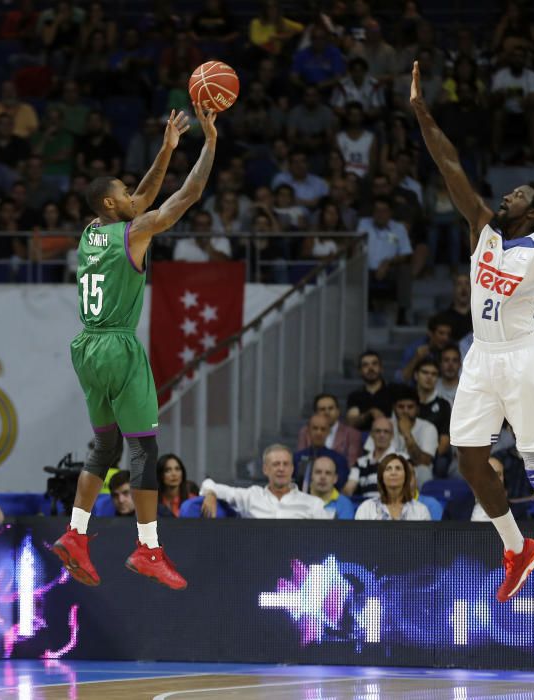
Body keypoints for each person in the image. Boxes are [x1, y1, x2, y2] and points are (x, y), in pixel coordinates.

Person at [410, 60, 534, 619]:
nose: (506, 196)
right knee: (468, 460)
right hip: (481, 357)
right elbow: (449, 163)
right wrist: (420, 110)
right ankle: (519, 549)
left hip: (522, 358)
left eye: (516, 194)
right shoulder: (483, 228)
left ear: (533, 210)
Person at [52, 105, 217, 591]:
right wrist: (208, 142)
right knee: (144, 450)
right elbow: (186, 196)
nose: (134, 197)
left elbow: (143, 195)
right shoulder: (134, 232)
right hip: (118, 348)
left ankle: (76, 534)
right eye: (124, 194)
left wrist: (166, 149)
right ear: (111, 205)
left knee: (104, 445)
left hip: (85, 348)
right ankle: (149, 548)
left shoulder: (91, 233)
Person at [200, 444, 331, 519]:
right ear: (265, 469)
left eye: (286, 464)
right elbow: (209, 484)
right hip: (257, 561)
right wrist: (211, 493)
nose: (281, 469)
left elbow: (328, 538)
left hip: (297, 564)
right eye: (276, 464)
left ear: (292, 469)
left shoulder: (313, 504)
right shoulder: (250, 496)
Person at [442, 456, 530, 522]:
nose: (494, 479)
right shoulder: (454, 508)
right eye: (488, 473)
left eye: (498, 474)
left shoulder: (518, 513)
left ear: (503, 479)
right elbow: (443, 542)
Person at [354, 453, 431, 520]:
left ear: (406, 477)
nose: (393, 473)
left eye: (398, 468)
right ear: (381, 477)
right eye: (388, 469)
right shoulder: (366, 508)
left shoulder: (420, 511)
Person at [344, 416, 405, 499]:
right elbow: (348, 489)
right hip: (367, 508)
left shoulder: (403, 459)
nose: (381, 435)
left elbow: (410, 487)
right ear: (371, 434)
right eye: (378, 431)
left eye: (386, 431)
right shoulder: (360, 462)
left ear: (392, 435)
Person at [296, 393, 361, 467]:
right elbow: (301, 460)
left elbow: (351, 464)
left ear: (338, 411)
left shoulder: (353, 434)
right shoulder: (305, 431)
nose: (327, 412)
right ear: (315, 413)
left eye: (331, 408)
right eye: (322, 409)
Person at [293, 413, 349, 490]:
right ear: (308, 430)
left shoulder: (339, 460)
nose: (319, 433)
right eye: (315, 428)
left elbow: (339, 485)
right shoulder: (297, 458)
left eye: (323, 429)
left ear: (329, 431)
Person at [346, 351, 394, 431]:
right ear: (360, 371)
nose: (370, 368)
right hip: (362, 439)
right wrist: (369, 413)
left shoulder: (394, 392)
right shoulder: (354, 396)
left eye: (374, 364)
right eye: (365, 365)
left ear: (381, 368)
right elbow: (351, 422)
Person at [157, 453, 198, 517]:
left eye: (177, 469)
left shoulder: (192, 500)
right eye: (167, 470)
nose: (174, 474)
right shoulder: (153, 502)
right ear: (160, 475)